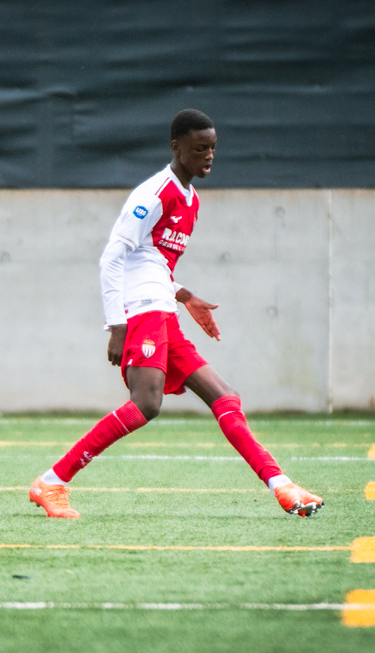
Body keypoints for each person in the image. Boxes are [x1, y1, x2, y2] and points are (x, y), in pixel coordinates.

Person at [29, 109, 323, 519]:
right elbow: (112, 258)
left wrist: (185, 295)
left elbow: (153, 262)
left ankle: (282, 486)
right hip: (142, 311)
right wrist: (117, 325)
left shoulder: (191, 200)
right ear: (176, 147)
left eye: (213, 148)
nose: (209, 155)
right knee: (145, 404)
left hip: (163, 309)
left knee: (225, 398)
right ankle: (52, 481)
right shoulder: (155, 194)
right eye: (200, 148)